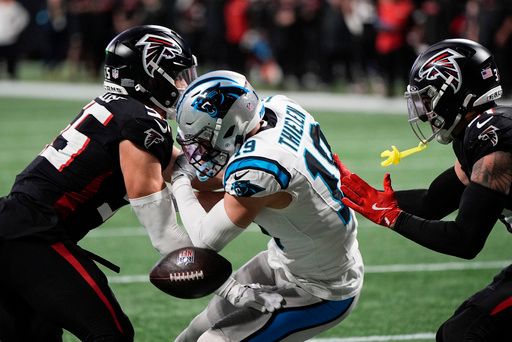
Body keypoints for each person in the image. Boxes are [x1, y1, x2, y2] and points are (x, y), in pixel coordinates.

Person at [0, 25, 198, 341]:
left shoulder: (122, 111)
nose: (183, 84)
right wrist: (228, 286)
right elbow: (163, 233)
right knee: (110, 334)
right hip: (34, 237)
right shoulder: (140, 122)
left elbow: (183, 168)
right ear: (149, 73)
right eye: (176, 74)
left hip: (16, 229)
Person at [171, 70, 364, 341]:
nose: (199, 150)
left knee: (211, 340)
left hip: (322, 288)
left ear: (229, 126)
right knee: (196, 330)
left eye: (203, 140)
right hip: (289, 261)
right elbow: (230, 176)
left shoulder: (259, 170)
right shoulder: (278, 109)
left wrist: (179, 180)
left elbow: (203, 240)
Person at [338, 38, 510, 341]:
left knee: (465, 333)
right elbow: (435, 201)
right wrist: (377, 200)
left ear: (455, 91)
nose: (424, 110)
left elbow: (465, 240)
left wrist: (393, 218)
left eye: (427, 98)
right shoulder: (483, 130)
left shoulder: (494, 139)